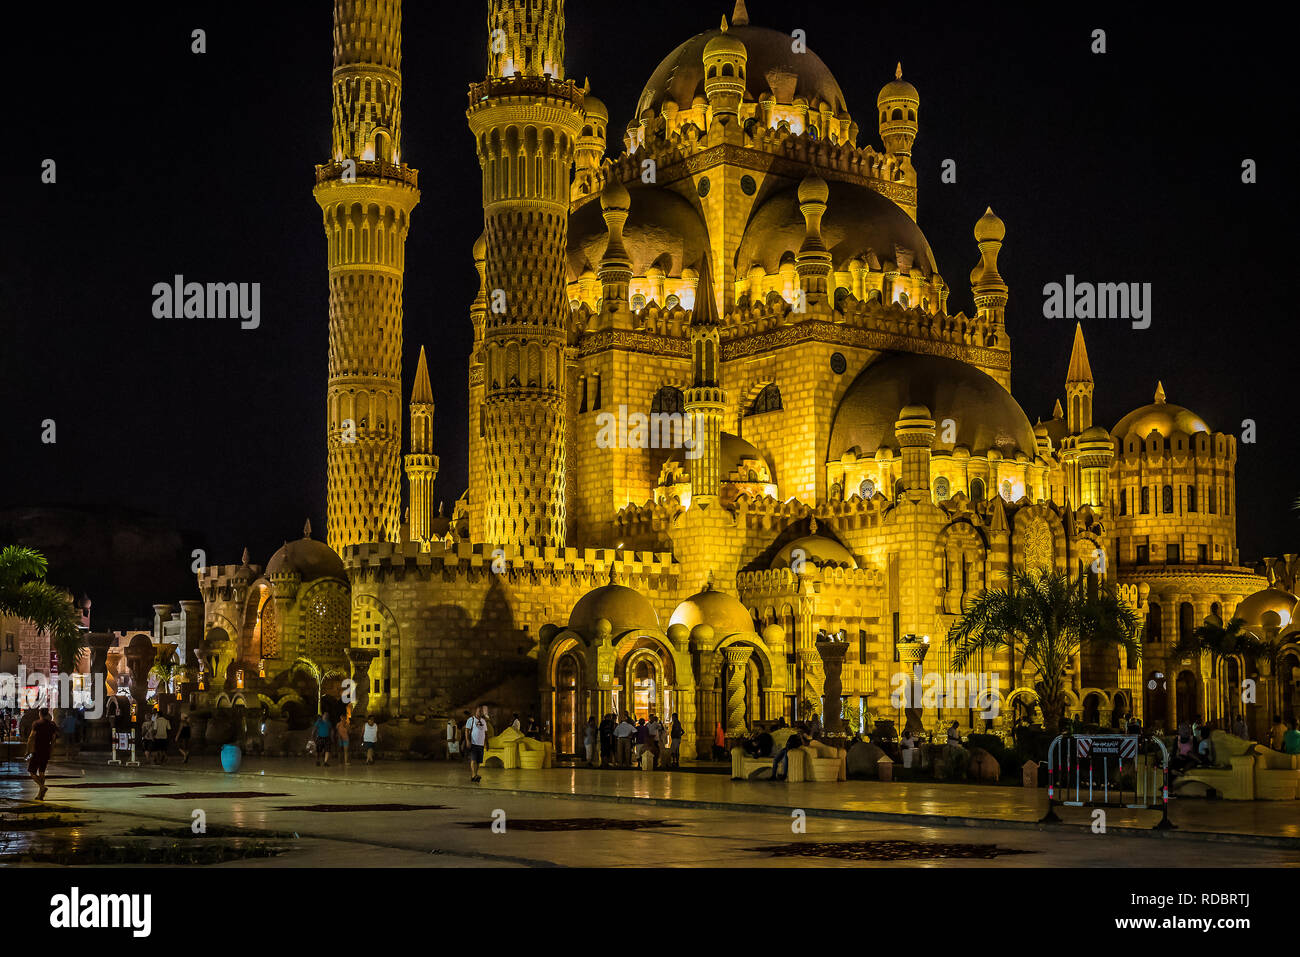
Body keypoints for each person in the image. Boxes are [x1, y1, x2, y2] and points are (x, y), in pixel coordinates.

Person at [27, 708, 58, 801]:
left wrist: (28, 751)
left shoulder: (36, 724)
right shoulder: (52, 725)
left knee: (32, 771)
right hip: (46, 751)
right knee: (42, 772)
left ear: (40, 714)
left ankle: (42, 787)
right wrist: (51, 752)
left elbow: (31, 737)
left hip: (37, 751)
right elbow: (53, 740)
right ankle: (40, 795)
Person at [467, 706, 489, 782]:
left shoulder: (483, 721)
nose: (480, 712)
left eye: (481, 711)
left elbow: (486, 733)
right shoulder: (471, 720)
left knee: (479, 761)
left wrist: (487, 743)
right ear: (476, 711)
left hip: (481, 744)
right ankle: (473, 775)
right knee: (473, 760)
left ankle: (475, 775)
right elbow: (467, 731)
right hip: (473, 743)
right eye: (479, 711)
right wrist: (467, 741)